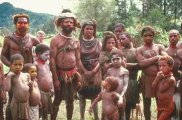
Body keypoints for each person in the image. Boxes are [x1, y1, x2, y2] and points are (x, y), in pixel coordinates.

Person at [50, 12, 83, 120]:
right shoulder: (55, 40)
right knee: (57, 99)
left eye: (71, 22)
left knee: (71, 100)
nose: (69, 24)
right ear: (61, 23)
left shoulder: (76, 41)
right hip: (60, 74)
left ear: (74, 25)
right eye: (66, 21)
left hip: (72, 75)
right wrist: (55, 79)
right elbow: (52, 60)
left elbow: (78, 60)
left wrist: (82, 74)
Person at [136, 26, 168, 120]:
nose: (148, 37)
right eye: (145, 35)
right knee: (146, 104)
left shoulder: (159, 46)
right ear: (142, 36)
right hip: (146, 79)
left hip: (159, 78)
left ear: (153, 36)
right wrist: (156, 57)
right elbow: (142, 64)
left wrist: (148, 61)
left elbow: (166, 59)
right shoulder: (139, 49)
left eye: (150, 35)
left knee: (161, 103)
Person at [78, 20, 102, 120]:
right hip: (82, 71)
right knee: (81, 95)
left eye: (91, 29)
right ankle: (82, 117)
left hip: (96, 71)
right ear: (83, 30)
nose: (89, 30)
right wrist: (84, 71)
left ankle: (96, 117)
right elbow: (77, 59)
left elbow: (102, 58)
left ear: (94, 30)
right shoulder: (78, 42)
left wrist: (93, 71)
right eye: (87, 28)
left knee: (94, 95)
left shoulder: (98, 42)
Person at [119, 32, 140, 120]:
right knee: (122, 104)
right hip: (121, 81)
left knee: (130, 104)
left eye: (123, 39)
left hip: (132, 80)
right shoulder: (120, 51)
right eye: (120, 39)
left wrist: (126, 65)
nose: (121, 41)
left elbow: (140, 64)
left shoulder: (136, 51)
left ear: (130, 39)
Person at [3, 54, 32, 120]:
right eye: (15, 65)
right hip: (16, 103)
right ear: (11, 65)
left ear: (23, 65)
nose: (18, 67)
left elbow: (30, 90)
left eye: (20, 64)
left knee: (26, 118)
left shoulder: (26, 75)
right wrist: (9, 76)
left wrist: (31, 85)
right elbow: (7, 88)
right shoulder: (12, 76)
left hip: (26, 103)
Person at [107, 49, 129, 120]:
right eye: (113, 59)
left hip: (121, 96)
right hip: (110, 97)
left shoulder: (125, 71)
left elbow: (125, 85)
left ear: (122, 59)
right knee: (110, 114)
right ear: (111, 60)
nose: (115, 61)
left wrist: (121, 97)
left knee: (122, 114)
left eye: (118, 59)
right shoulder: (109, 71)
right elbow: (106, 84)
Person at [152, 55, 176, 120]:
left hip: (168, 107)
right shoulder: (162, 77)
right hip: (160, 105)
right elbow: (153, 86)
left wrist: (158, 78)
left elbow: (161, 89)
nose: (161, 68)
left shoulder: (171, 79)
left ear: (170, 67)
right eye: (160, 66)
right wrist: (157, 79)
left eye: (164, 66)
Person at [34, 44, 53, 120]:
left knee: (46, 111)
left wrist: (52, 88)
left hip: (48, 93)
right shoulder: (35, 64)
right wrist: (36, 93)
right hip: (40, 93)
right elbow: (34, 79)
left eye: (49, 55)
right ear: (38, 54)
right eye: (46, 55)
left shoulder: (46, 64)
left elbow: (49, 76)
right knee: (39, 111)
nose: (48, 57)